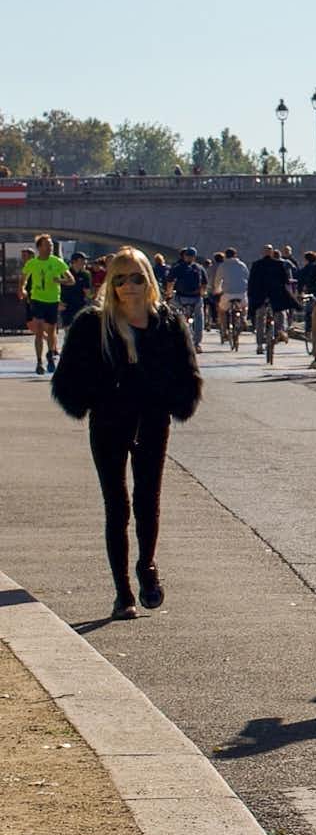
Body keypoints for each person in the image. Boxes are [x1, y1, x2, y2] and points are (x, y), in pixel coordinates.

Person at [50, 246, 202, 617]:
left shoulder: (167, 322)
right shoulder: (92, 324)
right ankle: (123, 593)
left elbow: (186, 372)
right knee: (116, 506)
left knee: (147, 500)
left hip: (152, 419)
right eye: (120, 279)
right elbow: (69, 378)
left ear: (148, 280)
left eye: (136, 277)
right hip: (110, 420)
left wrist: (171, 399)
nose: (129, 286)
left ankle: (146, 567)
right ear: (111, 284)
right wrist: (94, 398)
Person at [19, 235, 72, 374]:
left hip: (53, 300)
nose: (50, 248)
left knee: (50, 331)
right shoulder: (32, 263)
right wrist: (22, 289)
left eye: (51, 245)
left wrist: (59, 280)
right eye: (47, 245)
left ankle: (50, 355)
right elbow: (23, 279)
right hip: (37, 299)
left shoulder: (57, 262)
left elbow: (71, 280)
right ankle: (39, 362)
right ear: (39, 247)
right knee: (39, 329)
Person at [167, 247, 209, 345]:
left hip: (181, 297)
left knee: (175, 315)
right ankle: (197, 343)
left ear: (184, 256)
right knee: (199, 318)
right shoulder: (199, 268)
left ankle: (176, 336)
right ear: (194, 257)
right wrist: (202, 293)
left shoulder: (178, 267)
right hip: (195, 298)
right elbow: (204, 284)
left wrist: (169, 293)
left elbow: (170, 282)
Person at [212, 246, 251, 346]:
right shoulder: (242, 265)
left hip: (227, 294)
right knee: (244, 306)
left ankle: (224, 330)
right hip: (241, 293)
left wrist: (217, 290)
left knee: (222, 311)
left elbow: (218, 280)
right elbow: (248, 278)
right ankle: (243, 318)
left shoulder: (223, 266)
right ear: (235, 255)